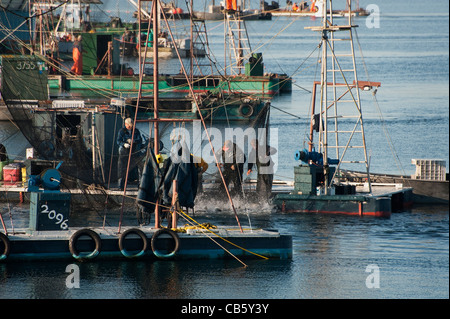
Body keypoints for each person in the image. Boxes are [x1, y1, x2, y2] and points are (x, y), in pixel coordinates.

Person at [117, 118, 143, 190]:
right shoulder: (122, 131)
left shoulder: (136, 131)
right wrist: (124, 144)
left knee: (139, 167)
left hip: (134, 150)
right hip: (124, 151)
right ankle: (120, 186)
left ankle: (140, 185)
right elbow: (118, 141)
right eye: (129, 125)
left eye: (131, 125)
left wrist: (134, 140)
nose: (130, 127)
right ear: (125, 124)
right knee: (122, 168)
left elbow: (140, 140)